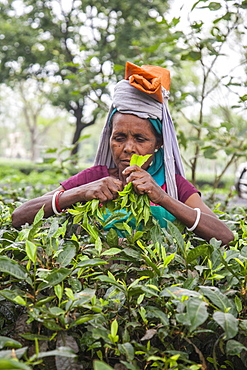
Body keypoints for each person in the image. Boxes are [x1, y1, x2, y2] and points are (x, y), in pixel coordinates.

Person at [12, 62, 234, 245]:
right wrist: (79, 192)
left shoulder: (173, 185)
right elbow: (18, 217)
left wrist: (162, 197)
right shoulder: (93, 177)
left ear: (158, 143)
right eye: (119, 138)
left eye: (140, 139)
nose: (128, 148)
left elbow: (225, 236)